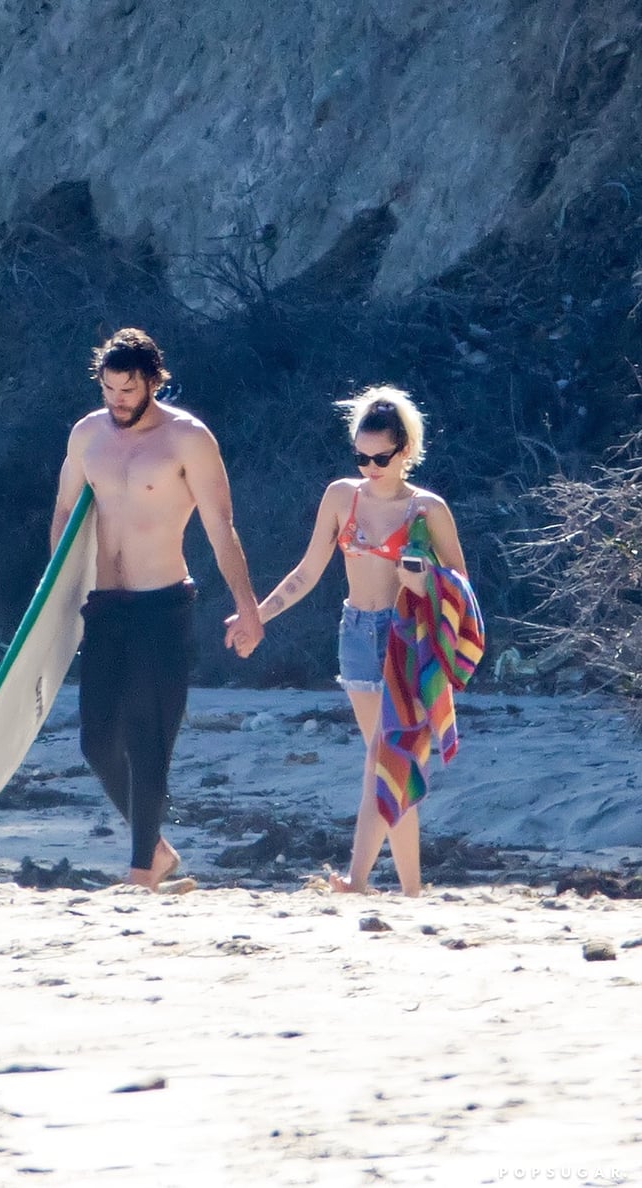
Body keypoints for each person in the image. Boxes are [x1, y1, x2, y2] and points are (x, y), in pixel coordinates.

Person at [226, 385, 469, 896]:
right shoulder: (343, 496)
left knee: (389, 756)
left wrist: (421, 583)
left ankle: (370, 881)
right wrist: (256, 616)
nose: (370, 466)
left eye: (380, 457)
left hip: (407, 638)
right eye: (361, 456)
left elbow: (460, 592)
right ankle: (404, 888)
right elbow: (307, 572)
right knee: (385, 755)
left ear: (405, 451)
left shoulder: (428, 510)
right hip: (358, 632)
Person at [50, 328, 263, 891]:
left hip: (163, 605)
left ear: (152, 381)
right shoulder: (87, 435)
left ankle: (142, 871)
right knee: (96, 742)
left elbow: (222, 528)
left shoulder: (188, 439)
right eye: (108, 388)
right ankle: (159, 850)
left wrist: (248, 607)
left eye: (127, 390)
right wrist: (57, 600)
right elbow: (66, 512)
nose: (116, 401)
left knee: (148, 739)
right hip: (104, 606)